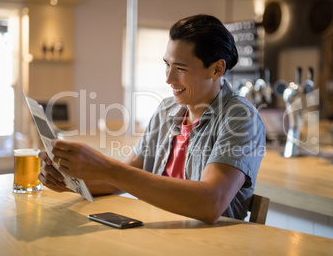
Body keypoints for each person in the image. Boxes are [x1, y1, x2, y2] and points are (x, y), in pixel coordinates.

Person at [38, 14, 266, 224]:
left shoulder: (240, 118)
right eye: (167, 65)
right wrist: (67, 181)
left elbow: (209, 202)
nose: (169, 78)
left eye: (180, 68)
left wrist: (106, 167)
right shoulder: (167, 110)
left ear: (217, 69)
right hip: (155, 234)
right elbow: (116, 181)